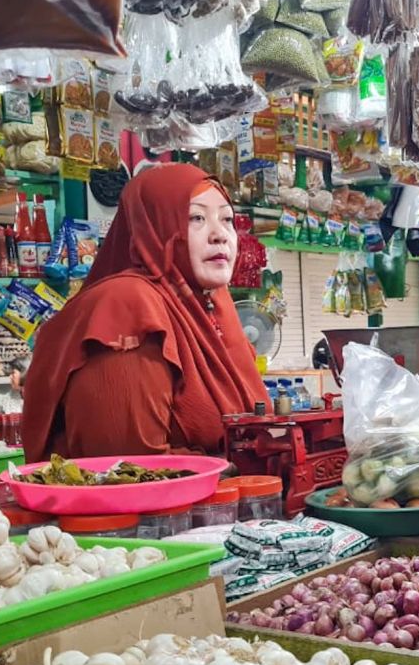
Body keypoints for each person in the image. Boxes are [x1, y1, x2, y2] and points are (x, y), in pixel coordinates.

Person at [23, 164, 269, 460]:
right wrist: (226, 467)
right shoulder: (127, 306)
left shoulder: (213, 305)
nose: (220, 235)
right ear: (154, 228)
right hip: (144, 505)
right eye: (196, 218)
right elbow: (129, 466)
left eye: (227, 219)